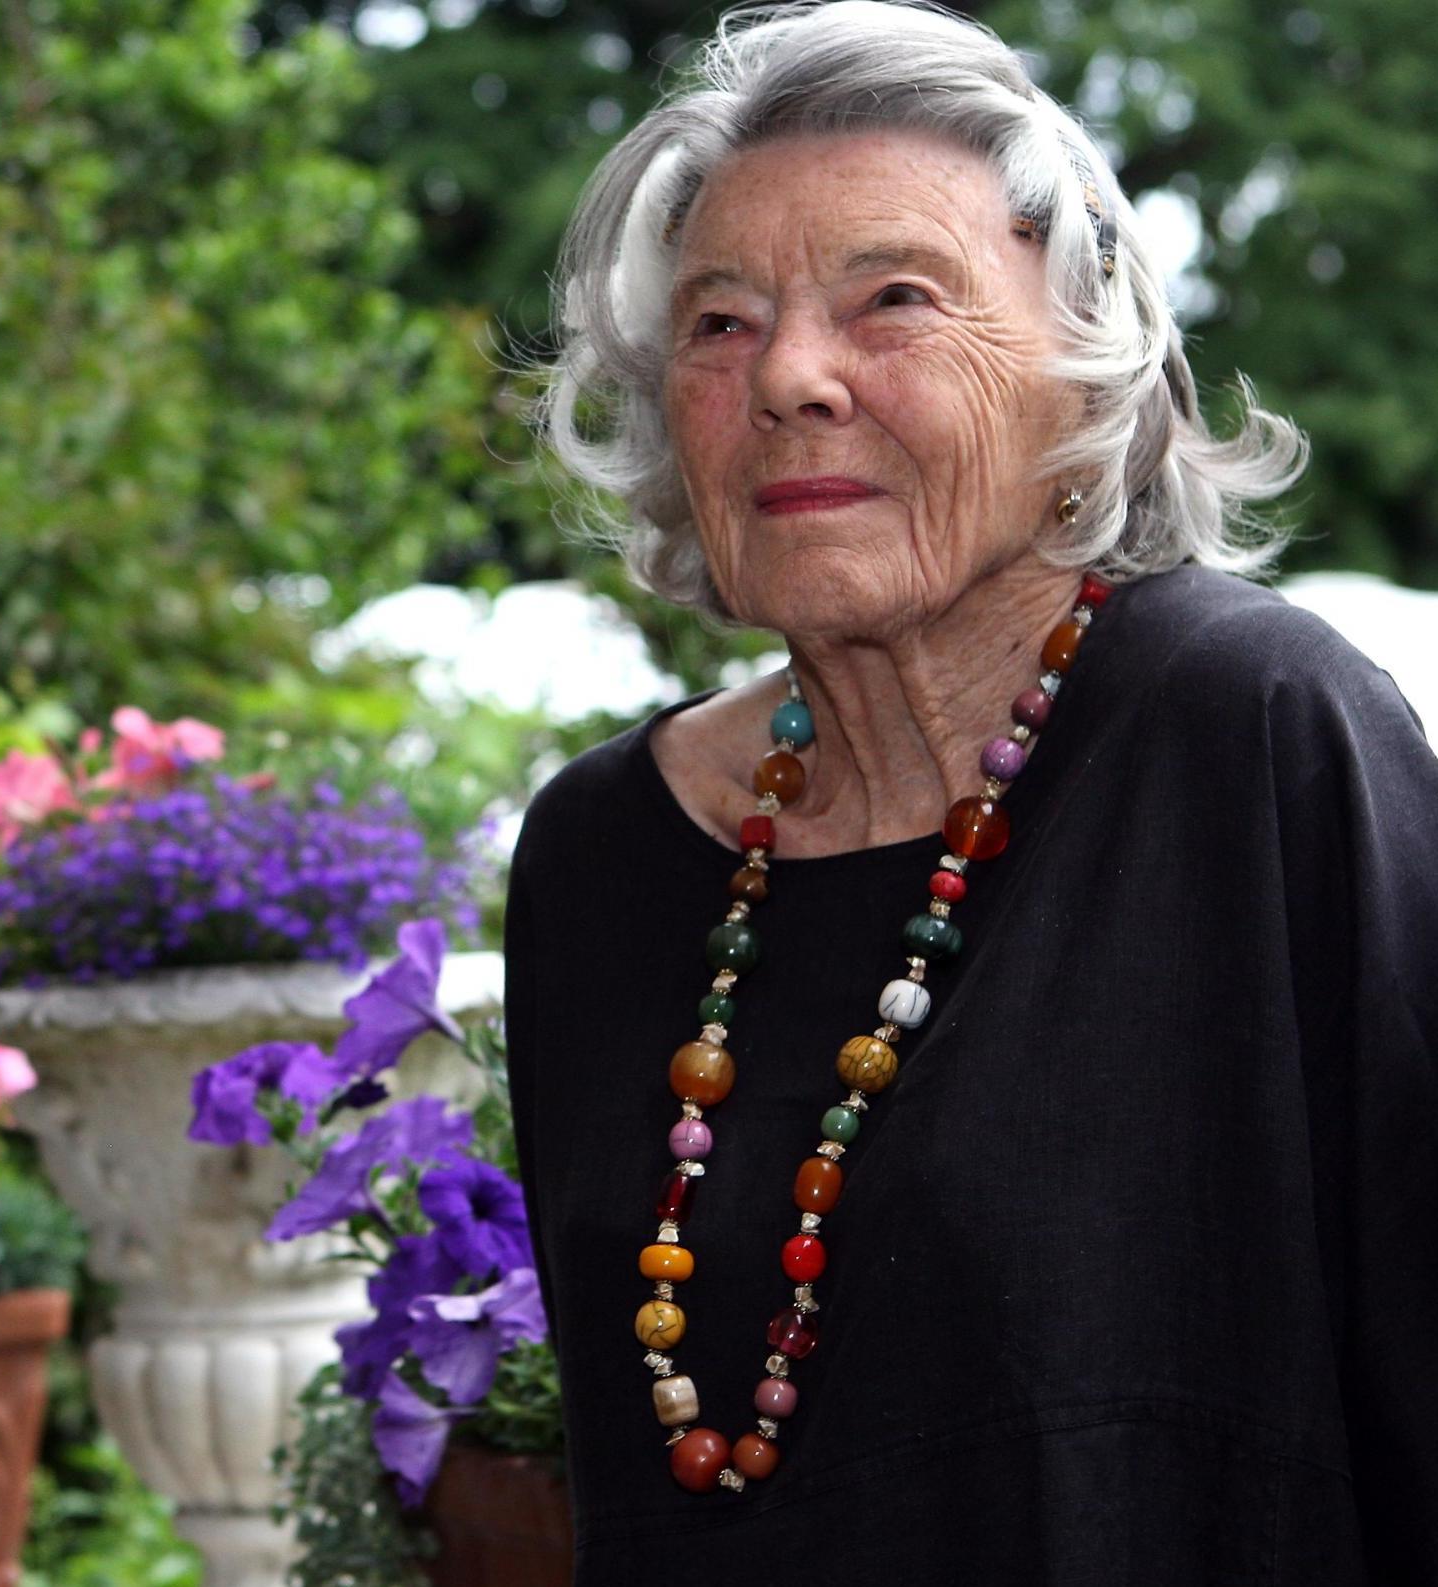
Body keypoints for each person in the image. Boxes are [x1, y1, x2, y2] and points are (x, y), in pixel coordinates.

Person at [499, 2, 1438, 1581]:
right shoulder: (605, 857)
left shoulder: (1249, 738)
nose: (792, 372)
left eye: (895, 300)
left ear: (1080, 379)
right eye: (720, 323)